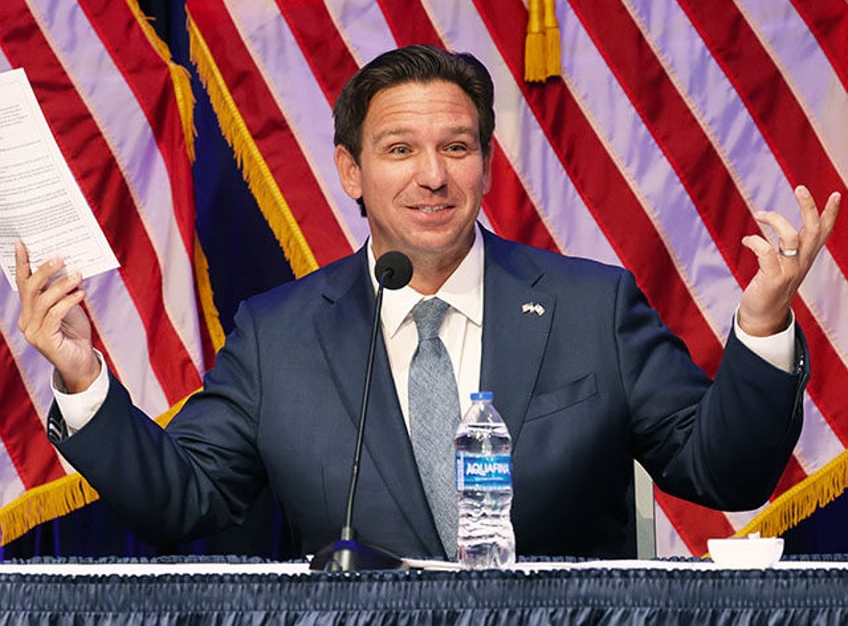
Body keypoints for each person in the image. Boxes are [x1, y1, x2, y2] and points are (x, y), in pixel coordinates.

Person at [16, 45, 841, 560]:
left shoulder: (593, 307)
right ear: (351, 173)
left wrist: (762, 324)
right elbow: (180, 500)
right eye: (399, 149)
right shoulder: (279, 337)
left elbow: (725, 472)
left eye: (456, 147)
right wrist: (86, 380)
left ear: (486, 162)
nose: (432, 176)